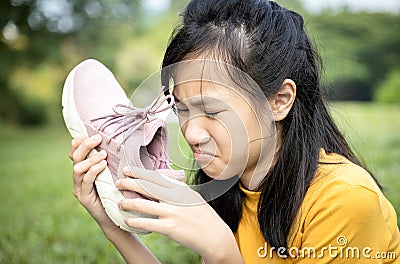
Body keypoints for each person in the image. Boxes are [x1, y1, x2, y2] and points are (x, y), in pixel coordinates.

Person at [68, 0, 400, 263]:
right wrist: (116, 230)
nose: (192, 133)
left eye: (212, 110)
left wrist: (223, 253)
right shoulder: (231, 186)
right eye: (182, 109)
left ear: (279, 101)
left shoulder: (346, 202)